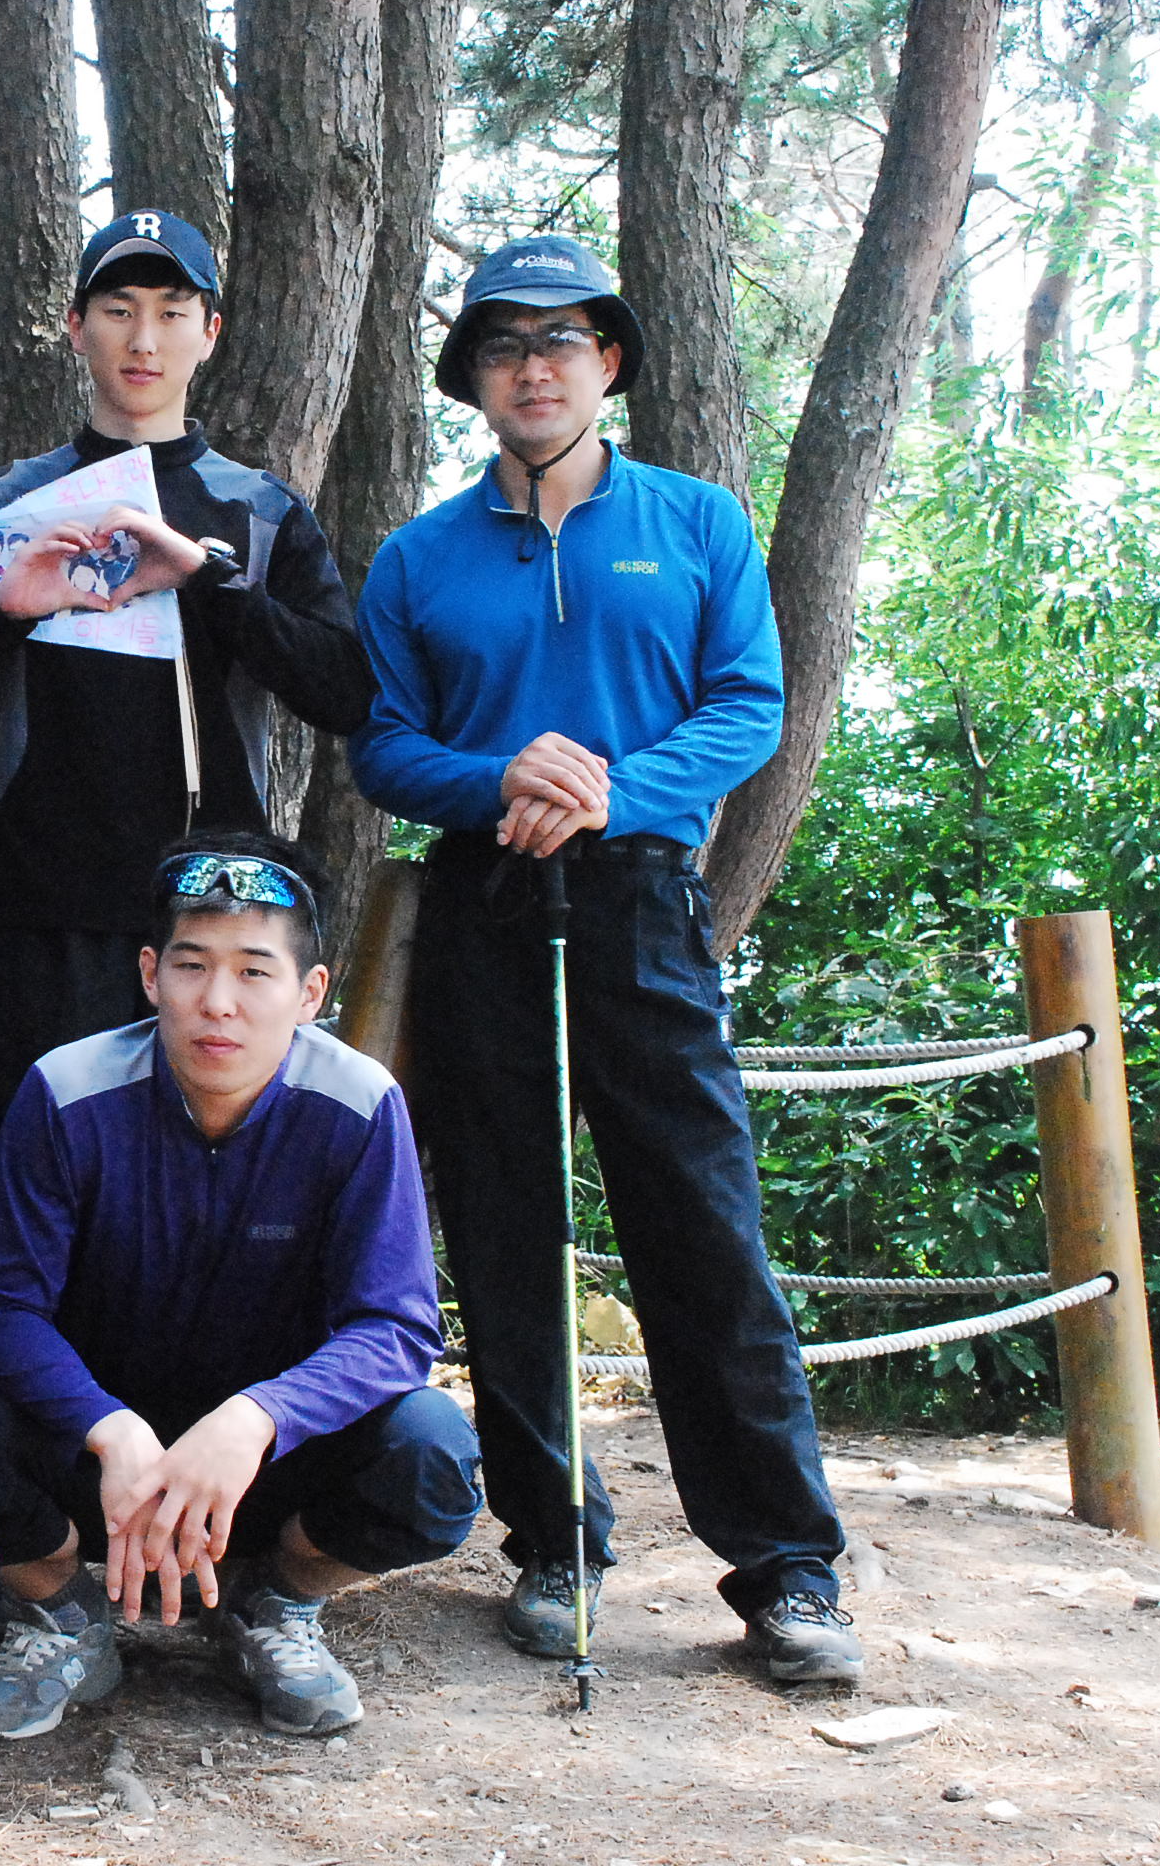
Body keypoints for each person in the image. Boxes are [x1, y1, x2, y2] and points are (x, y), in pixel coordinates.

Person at [347, 233, 863, 1686]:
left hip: (642, 904)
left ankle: (788, 1567)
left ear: (608, 362)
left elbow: (747, 704)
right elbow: (385, 744)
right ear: (474, 376)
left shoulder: (696, 523)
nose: (534, 368)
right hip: (485, 904)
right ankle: (552, 1541)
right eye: (505, 345)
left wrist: (610, 792)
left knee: (704, 1232)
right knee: (504, 1239)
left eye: (562, 340)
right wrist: (499, 778)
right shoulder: (418, 557)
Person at [0, 833, 480, 1740]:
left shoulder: (359, 1103)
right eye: (192, 966)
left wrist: (258, 1418)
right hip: (101, 1457)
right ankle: (58, 1610)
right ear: (151, 975)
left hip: (267, 1464)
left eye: (255, 972)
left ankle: (277, 1600)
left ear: (311, 993)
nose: (218, 1002)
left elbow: (396, 1326)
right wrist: (108, 1427)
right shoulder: (66, 1090)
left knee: (431, 1454)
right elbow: (0, 1309)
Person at [0, 210, 375, 1127]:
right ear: (74, 326)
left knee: (216, 1172)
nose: (144, 340)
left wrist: (211, 579)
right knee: (53, 1170)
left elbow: (344, 690)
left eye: (172, 313)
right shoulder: (9, 500)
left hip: (219, 909)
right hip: (51, 906)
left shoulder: (259, 509)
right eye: (119, 309)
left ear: (209, 333)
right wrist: (3, 611)